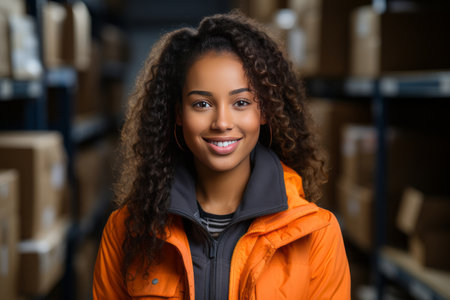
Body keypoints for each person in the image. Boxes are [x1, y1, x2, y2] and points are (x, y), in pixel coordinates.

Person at [93, 11, 350, 300]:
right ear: (179, 114)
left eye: (241, 102)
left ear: (264, 111)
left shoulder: (316, 233)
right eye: (202, 104)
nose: (222, 122)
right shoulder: (126, 230)